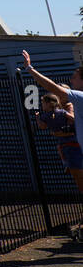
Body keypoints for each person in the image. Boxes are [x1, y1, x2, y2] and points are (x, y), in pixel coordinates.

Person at [25, 50, 83, 197]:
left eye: (74, 77)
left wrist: (30, 69)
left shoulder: (78, 98)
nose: (71, 80)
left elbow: (51, 87)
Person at [37, 93, 83, 190]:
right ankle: (67, 164)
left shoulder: (44, 116)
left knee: (60, 149)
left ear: (49, 104)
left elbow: (42, 126)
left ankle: (66, 164)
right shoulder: (61, 112)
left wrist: (37, 117)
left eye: (43, 103)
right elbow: (73, 119)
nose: (42, 105)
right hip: (73, 140)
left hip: (65, 143)